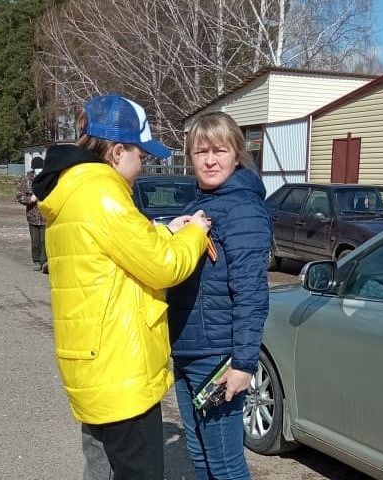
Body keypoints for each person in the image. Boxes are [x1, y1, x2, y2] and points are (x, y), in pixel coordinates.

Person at [32, 94, 211, 480]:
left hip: (92, 362)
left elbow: (115, 254)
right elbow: (163, 266)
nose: (143, 163)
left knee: (100, 467)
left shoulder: (73, 193)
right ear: (116, 152)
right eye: (141, 154)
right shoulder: (103, 194)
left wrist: (164, 230)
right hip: (121, 369)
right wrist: (194, 234)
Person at [166, 112, 272, 480]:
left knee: (226, 464)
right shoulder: (199, 204)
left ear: (237, 154)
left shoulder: (242, 209)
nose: (210, 160)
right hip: (186, 350)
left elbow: (252, 293)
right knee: (199, 455)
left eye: (220, 150)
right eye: (201, 151)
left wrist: (243, 364)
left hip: (218, 356)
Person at [16, 156, 47, 272]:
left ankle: (45, 261)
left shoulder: (47, 178)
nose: (39, 171)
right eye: (37, 169)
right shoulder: (26, 180)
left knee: (45, 240)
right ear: (33, 169)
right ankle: (37, 260)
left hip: (46, 215)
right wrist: (30, 199)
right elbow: (19, 196)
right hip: (32, 216)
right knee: (35, 241)